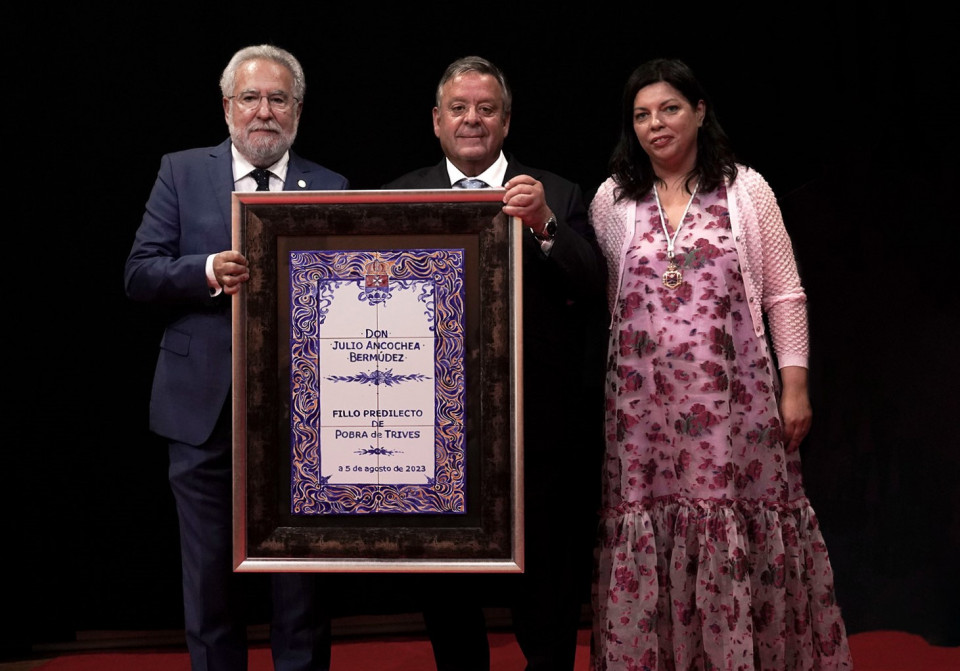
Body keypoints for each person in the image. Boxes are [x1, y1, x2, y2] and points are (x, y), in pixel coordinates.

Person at [588, 58, 852, 670]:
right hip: (642, 420)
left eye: (670, 109)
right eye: (642, 115)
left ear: (700, 112)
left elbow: (785, 292)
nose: (656, 125)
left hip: (738, 414)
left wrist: (795, 386)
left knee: (740, 529)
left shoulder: (746, 189)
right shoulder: (612, 199)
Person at [124, 44, 349, 671]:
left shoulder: (330, 186)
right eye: (250, 98)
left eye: (279, 99)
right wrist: (203, 270)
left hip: (304, 419)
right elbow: (138, 274)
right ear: (227, 107)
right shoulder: (181, 171)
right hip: (202, 412)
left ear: (298, 111)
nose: (264, 112)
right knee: (208, 587)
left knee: (299, 589)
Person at [383, 55, 609, 670]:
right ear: (437, 121)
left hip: (539, 438)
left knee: (549, 597)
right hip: (434, 442)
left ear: (507, 123)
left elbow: (593, 286)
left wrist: (544, 226)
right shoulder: (398, 195)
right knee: (449, 599)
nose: (472, 120)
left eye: (486, 109)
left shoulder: (556, 192)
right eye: (459, 109)